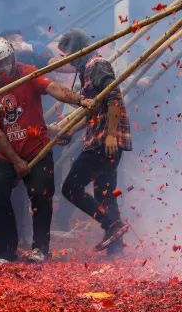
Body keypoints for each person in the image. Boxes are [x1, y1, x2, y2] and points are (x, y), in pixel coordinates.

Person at [0, 36, 93, 264]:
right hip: (7, 154)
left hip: (37, 148)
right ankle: (5, 250)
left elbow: (53, 88)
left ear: (12, 57)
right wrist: (16, 161)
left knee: (41, 195)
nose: (0, 68)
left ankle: (40, 248)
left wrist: (80, 100)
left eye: (3, 62)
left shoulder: (27, 73)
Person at [57, 29, 132, 255]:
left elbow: (113, 98)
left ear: (78, 50)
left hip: (104, 140)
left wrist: (110, 135)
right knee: (104, 193)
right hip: (99, 137)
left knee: (71, 188)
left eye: (68, 54)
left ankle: (111, 224)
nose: (67, 60)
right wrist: (71, 132)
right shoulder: (86, 70)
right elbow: (94, 112)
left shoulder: (96, 65)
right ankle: (116, 249)